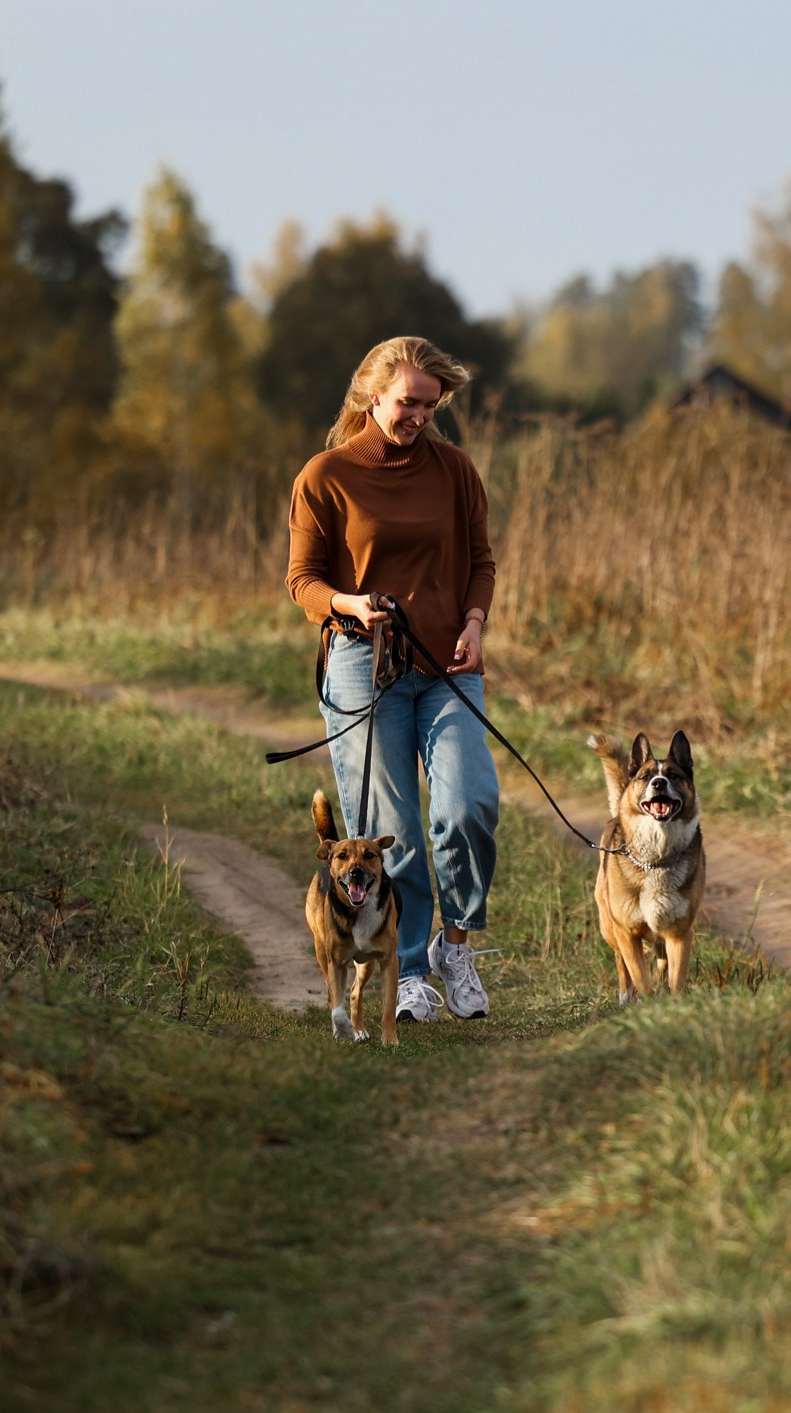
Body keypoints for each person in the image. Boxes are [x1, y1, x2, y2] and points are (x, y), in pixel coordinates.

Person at [285, 336, 498, 1023]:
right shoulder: (325, 475)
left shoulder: (456, 469)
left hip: (449, 663)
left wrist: (475, 620)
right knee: (391, 826)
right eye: (409, 403)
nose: (419, 417)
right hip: (361, 661)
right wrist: (349, 603)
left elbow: (482, 561)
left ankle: (453, 946)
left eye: (431, 406)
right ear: (373, 396)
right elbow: (302, 582)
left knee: (469, 804)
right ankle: (406, 971)